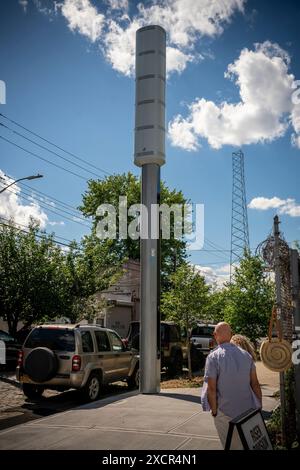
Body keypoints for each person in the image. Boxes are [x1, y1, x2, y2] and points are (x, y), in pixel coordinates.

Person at [202, 322, 262, 450]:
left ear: (215, 335)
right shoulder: (246, 356)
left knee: (229, 445)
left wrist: (214, 411)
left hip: (224, 411)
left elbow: (211, 389)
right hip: (247, 410)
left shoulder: (213, 357)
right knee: (246, 444)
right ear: (231, 335)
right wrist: (258, 406)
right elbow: (255, 384)